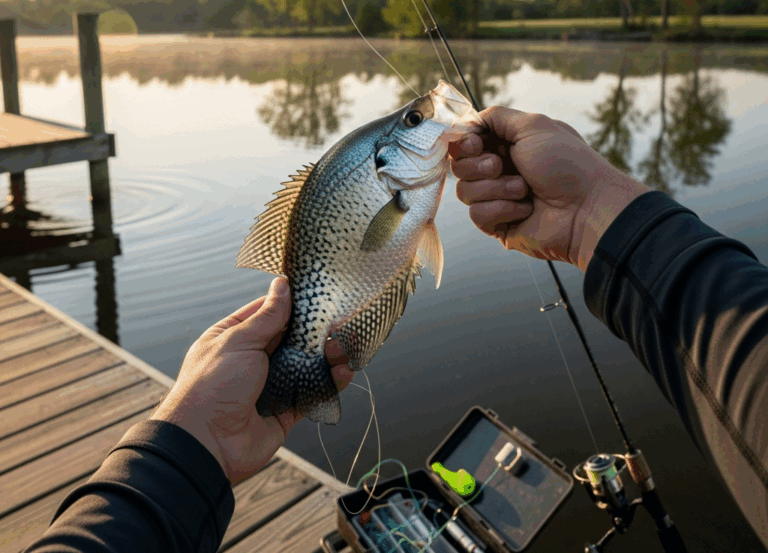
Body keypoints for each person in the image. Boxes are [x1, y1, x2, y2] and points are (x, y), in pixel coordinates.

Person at [25, 107, 768, 551]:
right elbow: (395, 235)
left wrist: (190, 440)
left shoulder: (398, 175)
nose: (427, 121)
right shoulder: (387, 177)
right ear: (391, 154)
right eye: (415, 123)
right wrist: (600, 207)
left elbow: (397, 231)